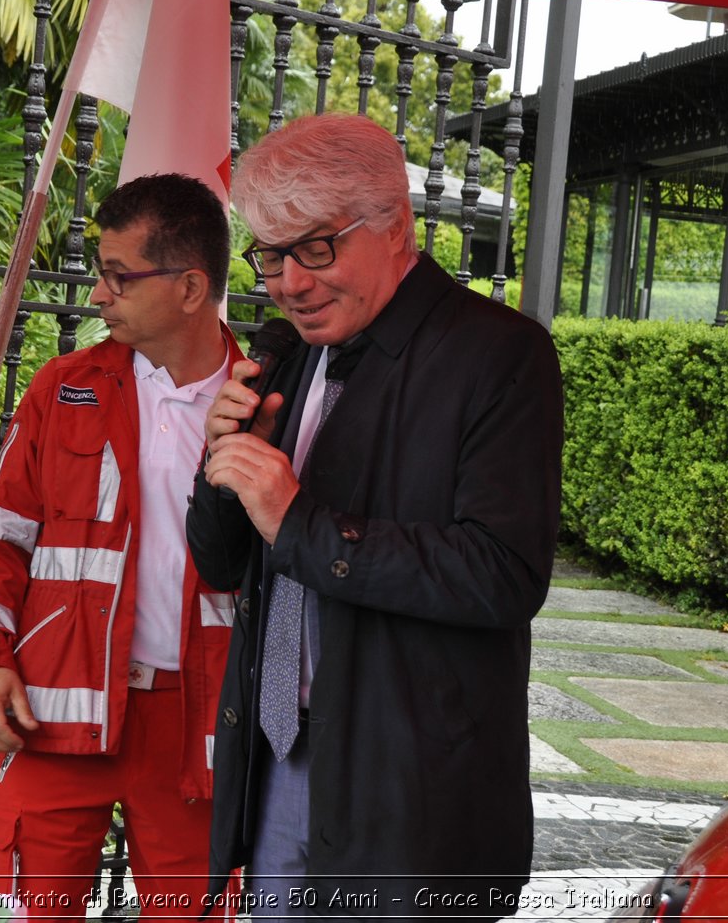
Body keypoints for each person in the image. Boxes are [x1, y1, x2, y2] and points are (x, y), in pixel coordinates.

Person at [190, 114, 564, 920]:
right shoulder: (288, 353)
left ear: (396, 225)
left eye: (315, 248)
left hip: (412, 786)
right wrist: (224, 471)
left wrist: (297, 520)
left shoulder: (501, 353)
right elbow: (224, 566)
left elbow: (503, 574)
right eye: (271, 255)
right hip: (277, 757)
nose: (289, 282)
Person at [0, 173, 242, 919]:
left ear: (190, 287)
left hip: (197, 728)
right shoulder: (62, 387)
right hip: (52, 710)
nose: (97, 295)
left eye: (119, 277)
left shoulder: (267, 401)